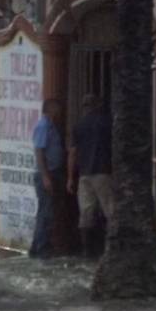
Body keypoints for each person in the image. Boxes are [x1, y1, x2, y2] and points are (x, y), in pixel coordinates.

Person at [67, 94, 113, 258]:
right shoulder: (107, 123)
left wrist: (71, 178)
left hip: (84, 175)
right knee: (110, 211)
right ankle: (111, 251)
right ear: (98, 105)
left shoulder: (78, 126)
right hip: (103, 173)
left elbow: (73, 153)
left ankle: (87, 251)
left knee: (86, 213)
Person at [29, 98, 65, 259]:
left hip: (52, 172)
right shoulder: (44, 126)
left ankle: (37, 247)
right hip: (47, 173)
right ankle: (41, 249)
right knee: (46, 212)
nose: (60, 112)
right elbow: (39, 151)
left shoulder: (51, 126)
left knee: (46, 211)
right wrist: (45, 177)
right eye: (57, 108)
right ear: (50, 109)